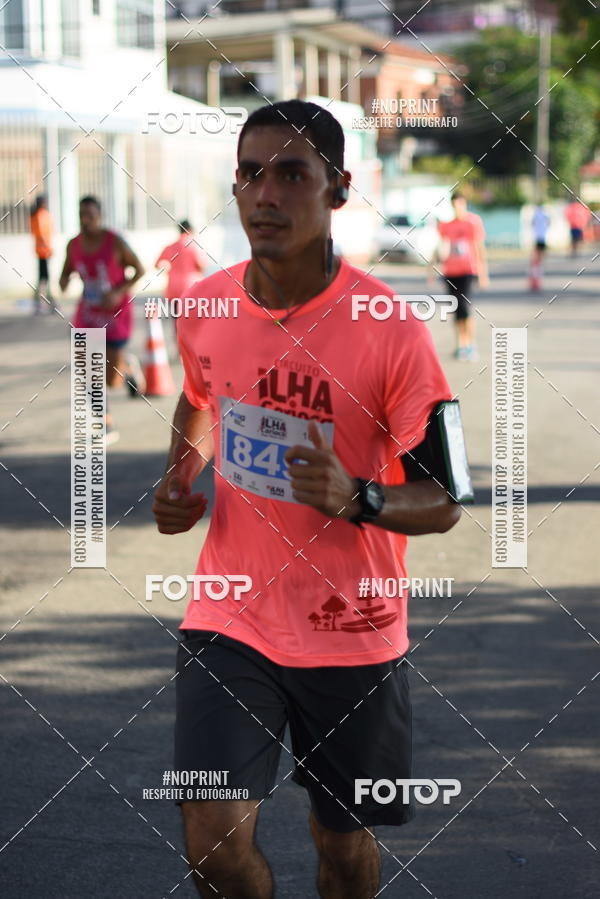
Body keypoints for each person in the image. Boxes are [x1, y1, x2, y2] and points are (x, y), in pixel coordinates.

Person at [153, 99, 463, 899]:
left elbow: (446, 499)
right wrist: (181, 475)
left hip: (352, 631)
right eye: (251, 174)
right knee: (211, 845)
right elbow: (198, 399)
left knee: (343, 848)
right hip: (231, 617)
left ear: (337, 189)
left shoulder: (392, 330)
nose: (267, 193)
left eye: (292, 173)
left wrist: (358, 496)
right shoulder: (208, 306)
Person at [59, 196, 146, 443]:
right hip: (88, 314)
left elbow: (139, 269)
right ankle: (105, 422)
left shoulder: (115, 242)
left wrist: (118, 291)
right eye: (81, 215)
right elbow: (66, 273)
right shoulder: (73, 245)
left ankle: (127, 366)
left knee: (112, 380)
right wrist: (63, 281)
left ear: (100, 216)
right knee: (89, 370)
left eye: (90, 215)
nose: (85, 220)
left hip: (116, 313)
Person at [435, 192, 489, 361]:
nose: (458, 207)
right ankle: (460, 344)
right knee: (455, 308)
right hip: (450, 271)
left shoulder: (473, 222)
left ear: (465, 204)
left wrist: (483, 273)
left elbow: (479, 247)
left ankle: (470, 344)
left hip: (468, 270)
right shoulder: (446, 225)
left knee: (465, 307)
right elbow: (440, 247)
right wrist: (431, 268)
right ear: (452, 205)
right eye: (455, 204)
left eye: (461, 204)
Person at [30, 195, 58, 315]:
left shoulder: (38, 214)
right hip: (43, 251)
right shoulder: (40, 215)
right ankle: (42, 302)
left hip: (42, 250)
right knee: (44, 277)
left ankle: (44, 302)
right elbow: (41, 234)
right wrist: (48, 248)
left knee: (44, 277)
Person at [529, 203, 550, 291]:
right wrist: (545, 228)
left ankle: (537, 264)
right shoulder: (544, 214)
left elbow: (532, 222)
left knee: (536, 255)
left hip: (537, 236)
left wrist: (535, 228)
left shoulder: (536, 214)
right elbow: (549, 221)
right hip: (542, 236)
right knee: (540, 254)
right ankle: (540, 264)